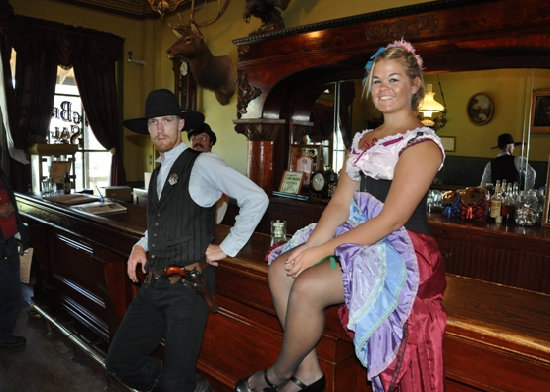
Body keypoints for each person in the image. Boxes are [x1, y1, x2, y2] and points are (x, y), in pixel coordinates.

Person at [234, 40, 446, 392]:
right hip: (360, 234)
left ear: (415, 84)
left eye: (394, 80)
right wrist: (311, 247)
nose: (384, 89)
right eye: (377, 81)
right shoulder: (364, 139)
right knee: (280, 269)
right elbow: (339, 204)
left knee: (305, 288)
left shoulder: (422, 144)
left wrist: (324, 251)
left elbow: (392, 219)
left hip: (401, 247)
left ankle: (276, 375)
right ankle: (309, 375)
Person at [105, 88, 269, 392]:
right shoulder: (157, 173)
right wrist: (140, 246)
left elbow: (255, 197)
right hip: (153, 285)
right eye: (153, 122)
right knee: (118, 361)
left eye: (167, 120)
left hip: (188, 289)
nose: (159, 129)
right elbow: (160, 223)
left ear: (181, 124)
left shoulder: (203, 163)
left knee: (174, 382)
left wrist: (227, 247)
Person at [0, 167, 30, 348]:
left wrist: (20, 236)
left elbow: (12, 206)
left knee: (12, 295)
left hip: (9, 242)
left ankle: (4, 335)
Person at [185, 121, 229, 224]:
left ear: (211, 143)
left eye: (203, 138)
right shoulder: (186, 165)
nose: (198, 142)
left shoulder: (217, 166)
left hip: (210, 220)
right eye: (194, 138)